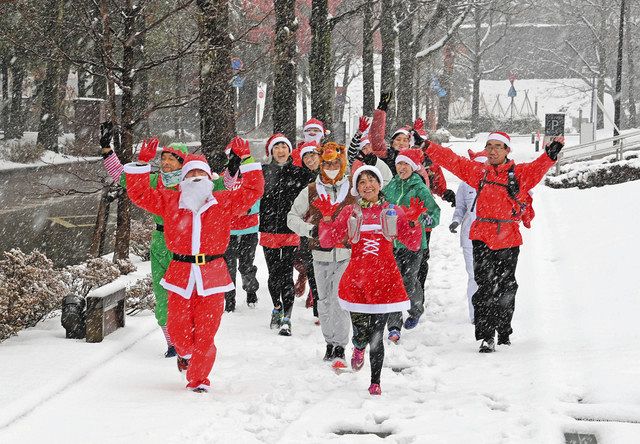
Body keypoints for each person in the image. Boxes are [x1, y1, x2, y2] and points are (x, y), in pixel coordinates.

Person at [123, 137, 264, 392]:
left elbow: (253, 192)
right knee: (179, 332)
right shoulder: (170, 201)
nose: (196, 177)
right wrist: (142, 163)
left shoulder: (221, 202)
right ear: (184, 178)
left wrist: (247, 160)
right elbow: (140, 194)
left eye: (201, 172)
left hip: (212, 275)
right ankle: (184, 354)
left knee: (206, 333)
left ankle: (199, 379)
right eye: (191, 173)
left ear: (209, 178)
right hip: (180, 273)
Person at [421, 131, 564, 353]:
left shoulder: (519, 174)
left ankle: (504, 330)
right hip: (481, 237)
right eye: (489, 146)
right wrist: (428, 147)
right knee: (485, 288)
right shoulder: (478, 172)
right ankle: (486, 336)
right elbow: (453, 161)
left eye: (499, 146)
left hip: (508, 237)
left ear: (508, 150)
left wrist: (550, 155)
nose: (493, 150)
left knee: (507, 288)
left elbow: (537, 169)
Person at [316, 165, 425, 395]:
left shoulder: (393, 211)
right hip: (357, 280)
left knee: (377, 334)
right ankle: (357, 346)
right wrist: (326, 218)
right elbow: (327, 241)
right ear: (356, 188)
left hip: (385, 280)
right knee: (361, 332)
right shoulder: (350, 213)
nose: (367, 185)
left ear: (379, 184)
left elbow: (413, 243)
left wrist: (414, 223)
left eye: (371, 180)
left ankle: (375, 382)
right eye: (362, 182)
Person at [99, 122, 188, 358]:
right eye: (164, 158)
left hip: (186, 245)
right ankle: (171, 343)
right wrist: (107, 148)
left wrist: (236, 166)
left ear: (183, 163)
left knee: (184, 296)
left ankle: (188, 340)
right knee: (162, 296)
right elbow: (122, 176)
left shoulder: (194, 183)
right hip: (160, 242)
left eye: (173, 159)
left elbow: (226, 186)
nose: (166, 163)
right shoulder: (154, 182)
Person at [288, 141, 354, 369]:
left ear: (342, 164)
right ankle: (329, 342)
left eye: (336, 163)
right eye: (327, 164)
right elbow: (292, 217)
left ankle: (341, 346)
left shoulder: (353, 189)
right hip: (319, 254)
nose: (332, 167)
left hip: (346, 254)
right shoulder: (311, 190)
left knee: (339, 300)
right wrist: (310, 230)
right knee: (324, 301)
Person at [382, 149, 440, 342]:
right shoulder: (392, 185)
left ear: (413, 167)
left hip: (414, 244)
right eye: (399, 164)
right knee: (392, 283)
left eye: (406, 164)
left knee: (408, 281)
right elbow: (382, 205)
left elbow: (435, 215)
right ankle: (394, 326)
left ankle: (415, 309)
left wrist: (420, 218)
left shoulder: (419, 187)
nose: (402, 168)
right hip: (392, 242)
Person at [260, 133, 314, 336]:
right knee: (273, 274)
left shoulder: (300, 173)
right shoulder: (263, 171)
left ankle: (287, 318)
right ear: (271, 151)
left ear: (290, 151)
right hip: (267, 229)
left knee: (286, 274)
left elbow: (318, 184)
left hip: (291, 229)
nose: (281, 150)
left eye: (284, 147)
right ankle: (276, 307)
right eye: (277, 147)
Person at [217, 140, 261, 312]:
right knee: (228, 267)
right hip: (229, 231)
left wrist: (248, 208)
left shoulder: (251, 176)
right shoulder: (223, 177)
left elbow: (257, 196)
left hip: (249, 229)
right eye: (231, 156)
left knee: (246, 265)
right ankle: (229, 301)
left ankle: (251, 291)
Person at [448, 149, 488, 323]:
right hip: (469, 236)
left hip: (492, 237)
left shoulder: (497, 182)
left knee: (490, 275)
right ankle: (476, 315)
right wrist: (456, 220)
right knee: (473, 275)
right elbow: (460, 208)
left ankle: (491, 309)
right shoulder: (465, 185)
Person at [292, 142, 321, 317]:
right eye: (306, 157)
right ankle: (315, 297)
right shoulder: (299, 176)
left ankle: (318, 302)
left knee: (321, 265)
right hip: (307, 226)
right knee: (309, 263)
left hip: (326, 224)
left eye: (313, 156)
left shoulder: (329, 172)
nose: (310, 160)